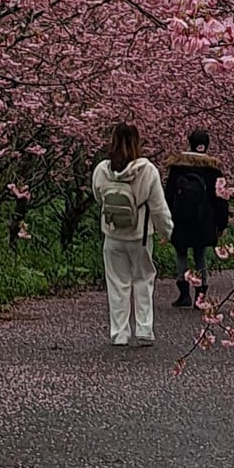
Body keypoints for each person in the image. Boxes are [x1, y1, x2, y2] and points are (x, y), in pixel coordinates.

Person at [92, 120, 173, 347]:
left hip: (112, 234)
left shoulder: (102, 170)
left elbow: (98, 198)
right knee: (143, 280)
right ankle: (144, 329)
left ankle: (119, 333)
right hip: (140, 237)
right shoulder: (147, 171)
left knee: (117, 283)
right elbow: (158, 207)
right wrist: (166, 231)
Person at [163, 129, 226, 306]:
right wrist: (221, 223)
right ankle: (201, 294)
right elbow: (220, 197)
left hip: (180, 219)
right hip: (204, 220)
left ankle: (184, 294)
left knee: (181, 254)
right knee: (200, 255)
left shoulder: (178, 166)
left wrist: (166, 219)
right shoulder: (212, 168)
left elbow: (168, 194)